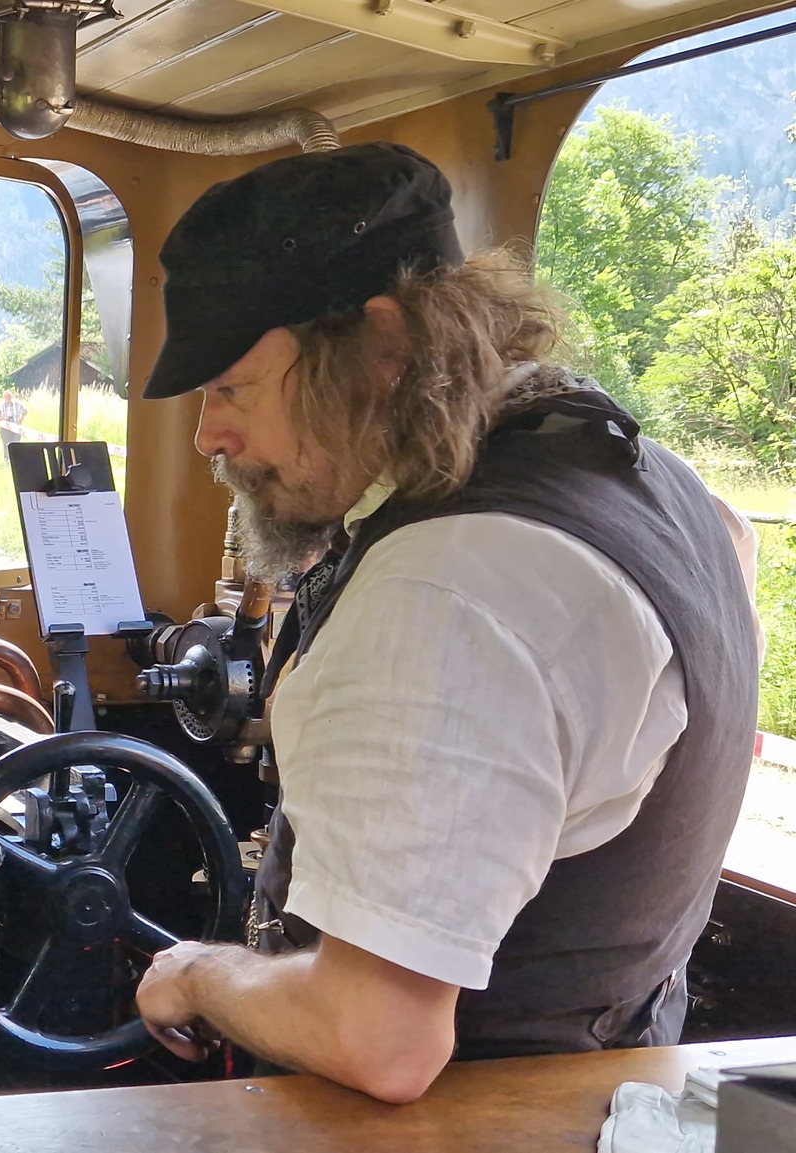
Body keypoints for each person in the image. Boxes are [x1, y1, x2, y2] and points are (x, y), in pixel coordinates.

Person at [130, 143, 760, 1104]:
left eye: (231, 387)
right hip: (616, 1088)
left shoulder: (438, 600)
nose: (210, 433)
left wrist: (197, 975)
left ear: (381, 348)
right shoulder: (653, 480)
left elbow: (378, 1038)